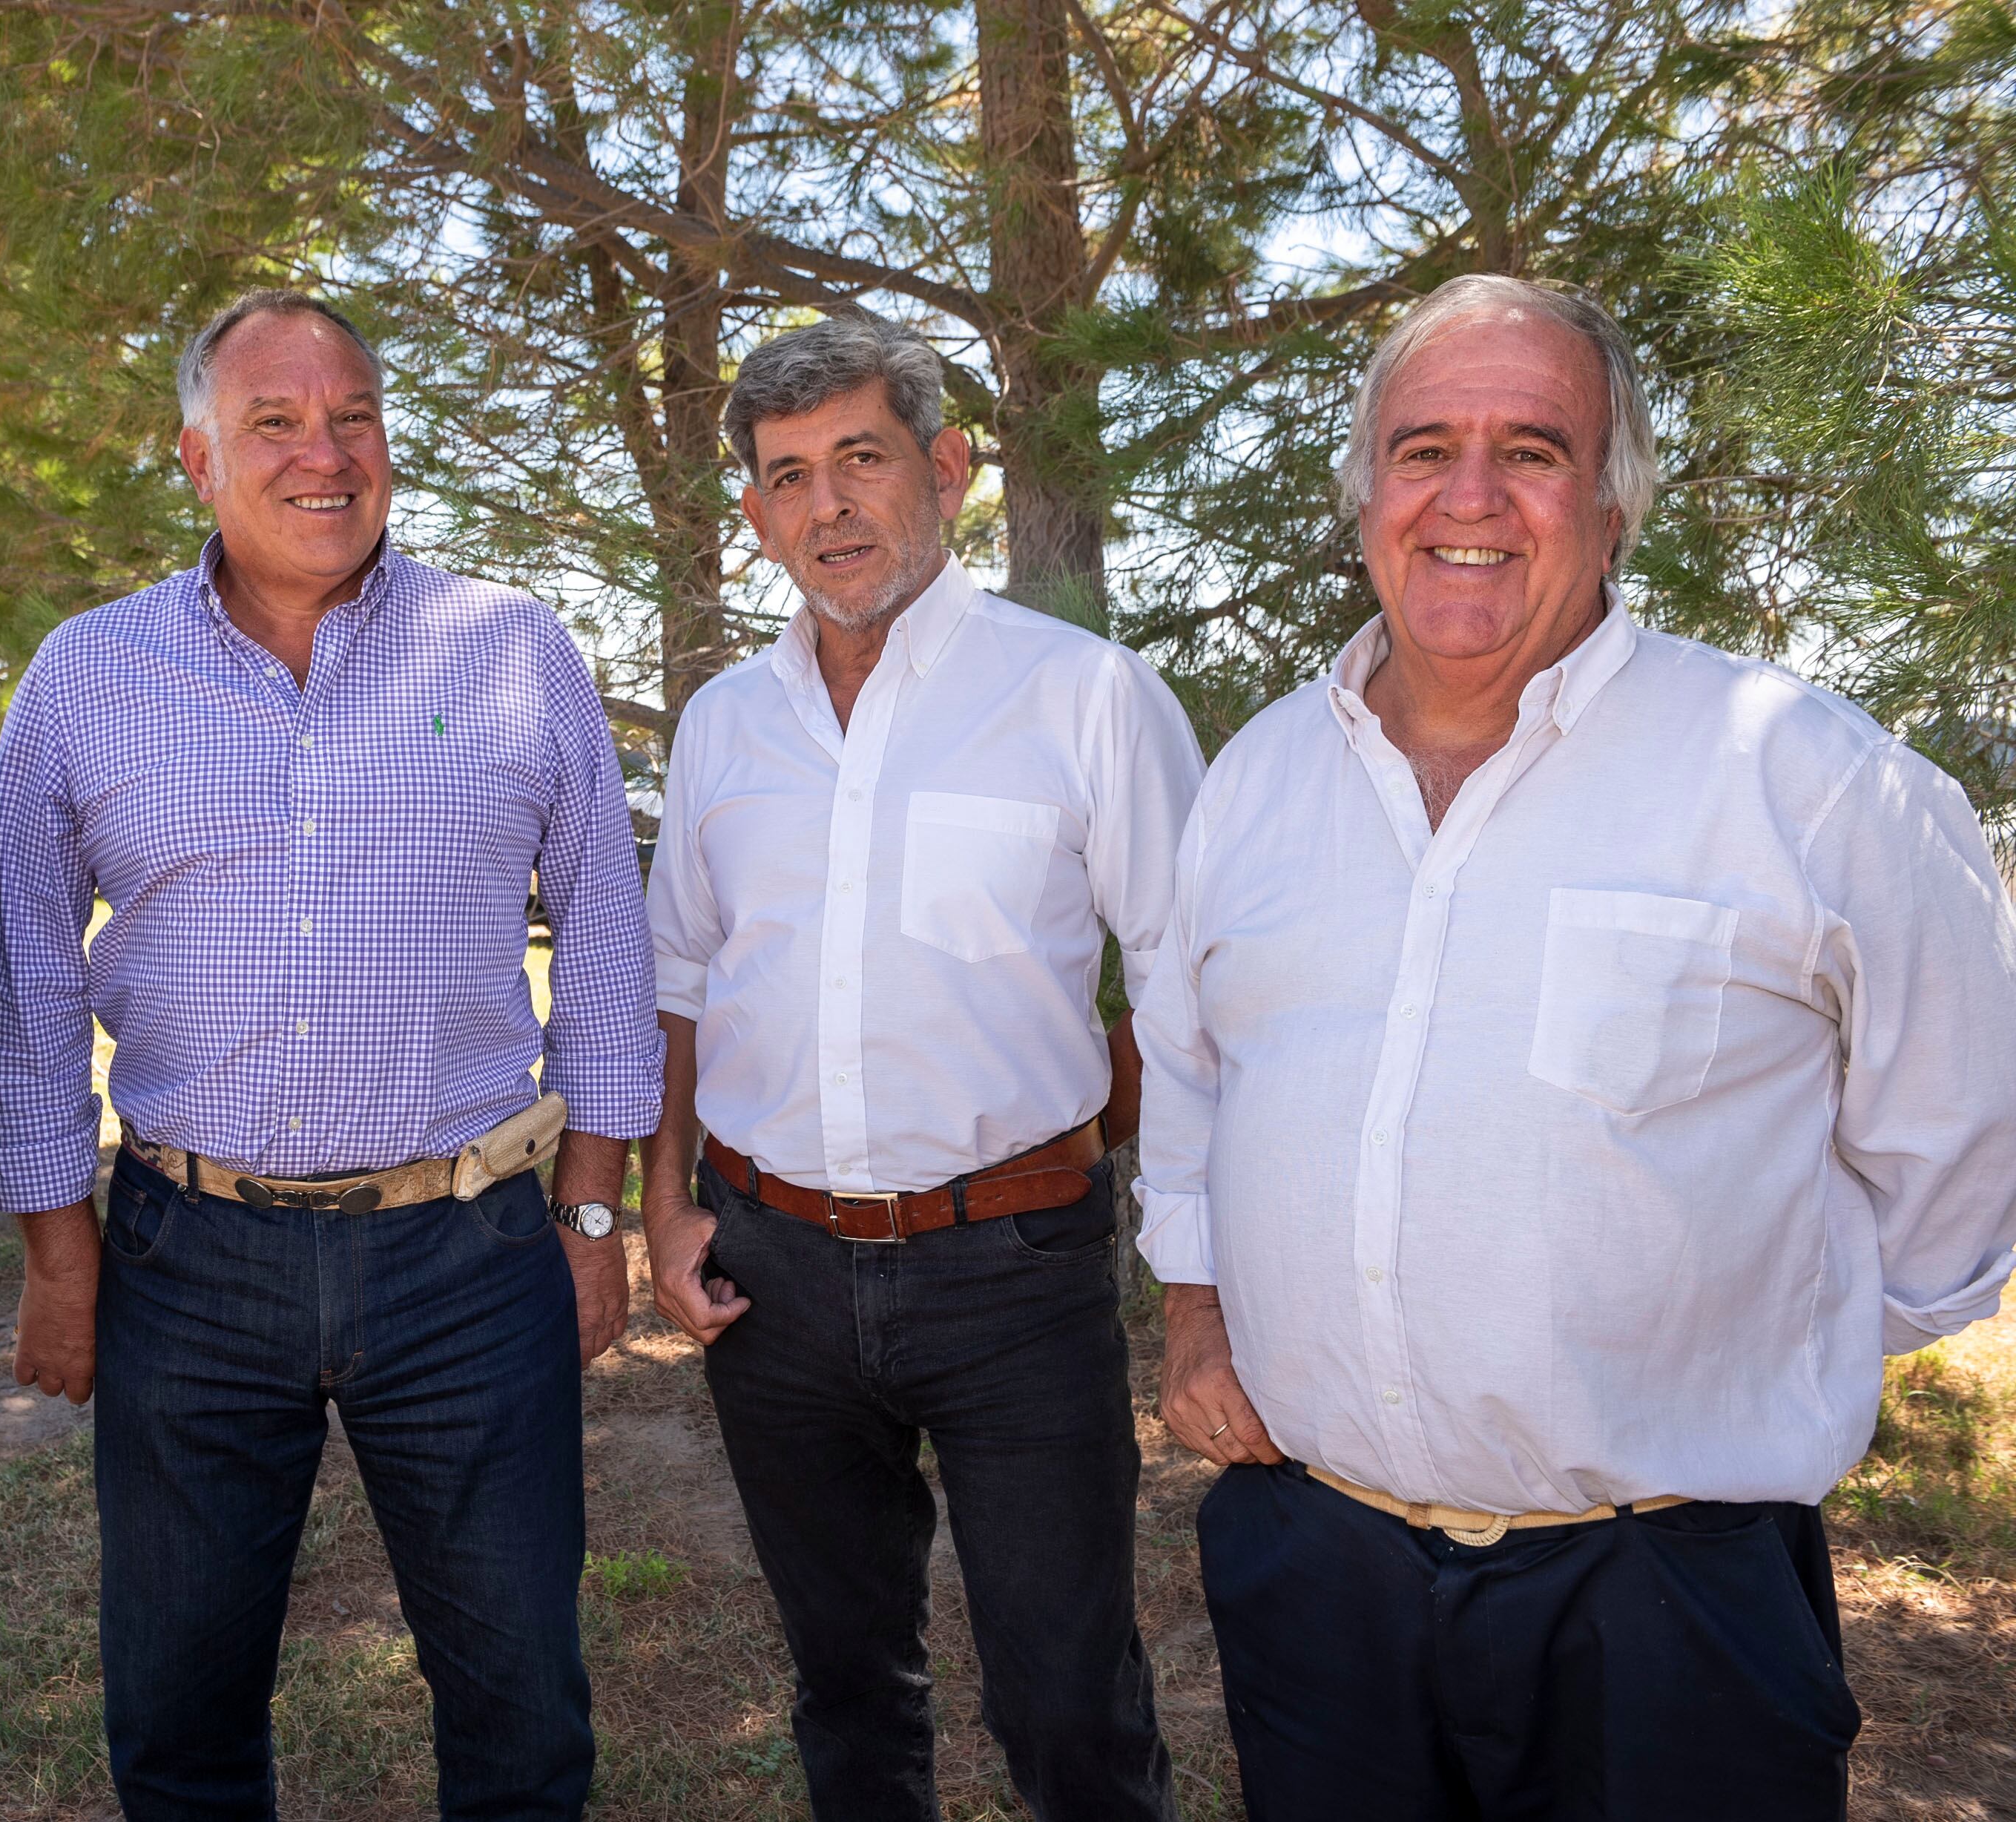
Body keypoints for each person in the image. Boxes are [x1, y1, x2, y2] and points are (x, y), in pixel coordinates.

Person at [1136, 274, 2016, 1820]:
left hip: (1663, 1602)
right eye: (1422, 449)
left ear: (1614, 505)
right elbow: (1197, 1077)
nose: (1467, 497)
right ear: (1364, 492)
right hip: (1315, 1563)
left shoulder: (1802, 779)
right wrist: (1201, 1314)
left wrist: (1721, 1370)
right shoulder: (1258, 780)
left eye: (1532, 450)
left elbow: (1959, 1144)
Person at [0, 288, 664, 1821]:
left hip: (472, 1253)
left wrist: (596, 1213)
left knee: (521, 1707)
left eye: (352, 417)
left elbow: (608, 942)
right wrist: (58, 1255)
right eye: (273, 423)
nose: (323, 455)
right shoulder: (83, 678)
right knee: (178, 1710)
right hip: (183, 1259)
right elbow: (22, 980)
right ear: (195, 457)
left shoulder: (515, 647)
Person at [639, 313, 1199, 1821]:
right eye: (787, 475)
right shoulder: (722, 725)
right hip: (772, 1273)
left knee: (1067, 1691)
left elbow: (1184, 986)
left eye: (862, 459)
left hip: (1013, 1271)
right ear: (754, 513)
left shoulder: (1082, 697)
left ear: (943, 470)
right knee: (843, 1681)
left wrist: (1102, 1162)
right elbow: (677, 984)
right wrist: (664, 1202)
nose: (829, 505)